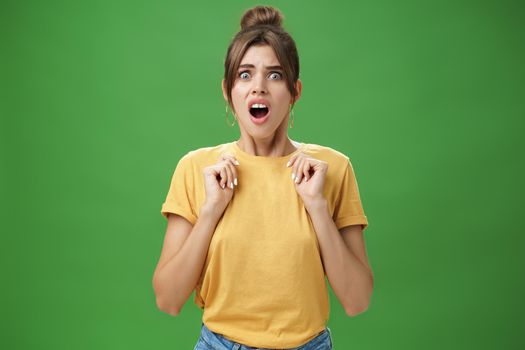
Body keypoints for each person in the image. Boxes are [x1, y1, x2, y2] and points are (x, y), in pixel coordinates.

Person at [152, 5, 373, 350]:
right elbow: (168, 299)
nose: (258, 88)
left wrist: (316, 206)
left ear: (295, 91)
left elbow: (357, 300)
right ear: (228, 91)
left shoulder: (331, 169)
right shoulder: (197, 169)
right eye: (244, 75)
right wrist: (211, 211)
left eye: (274, 75)